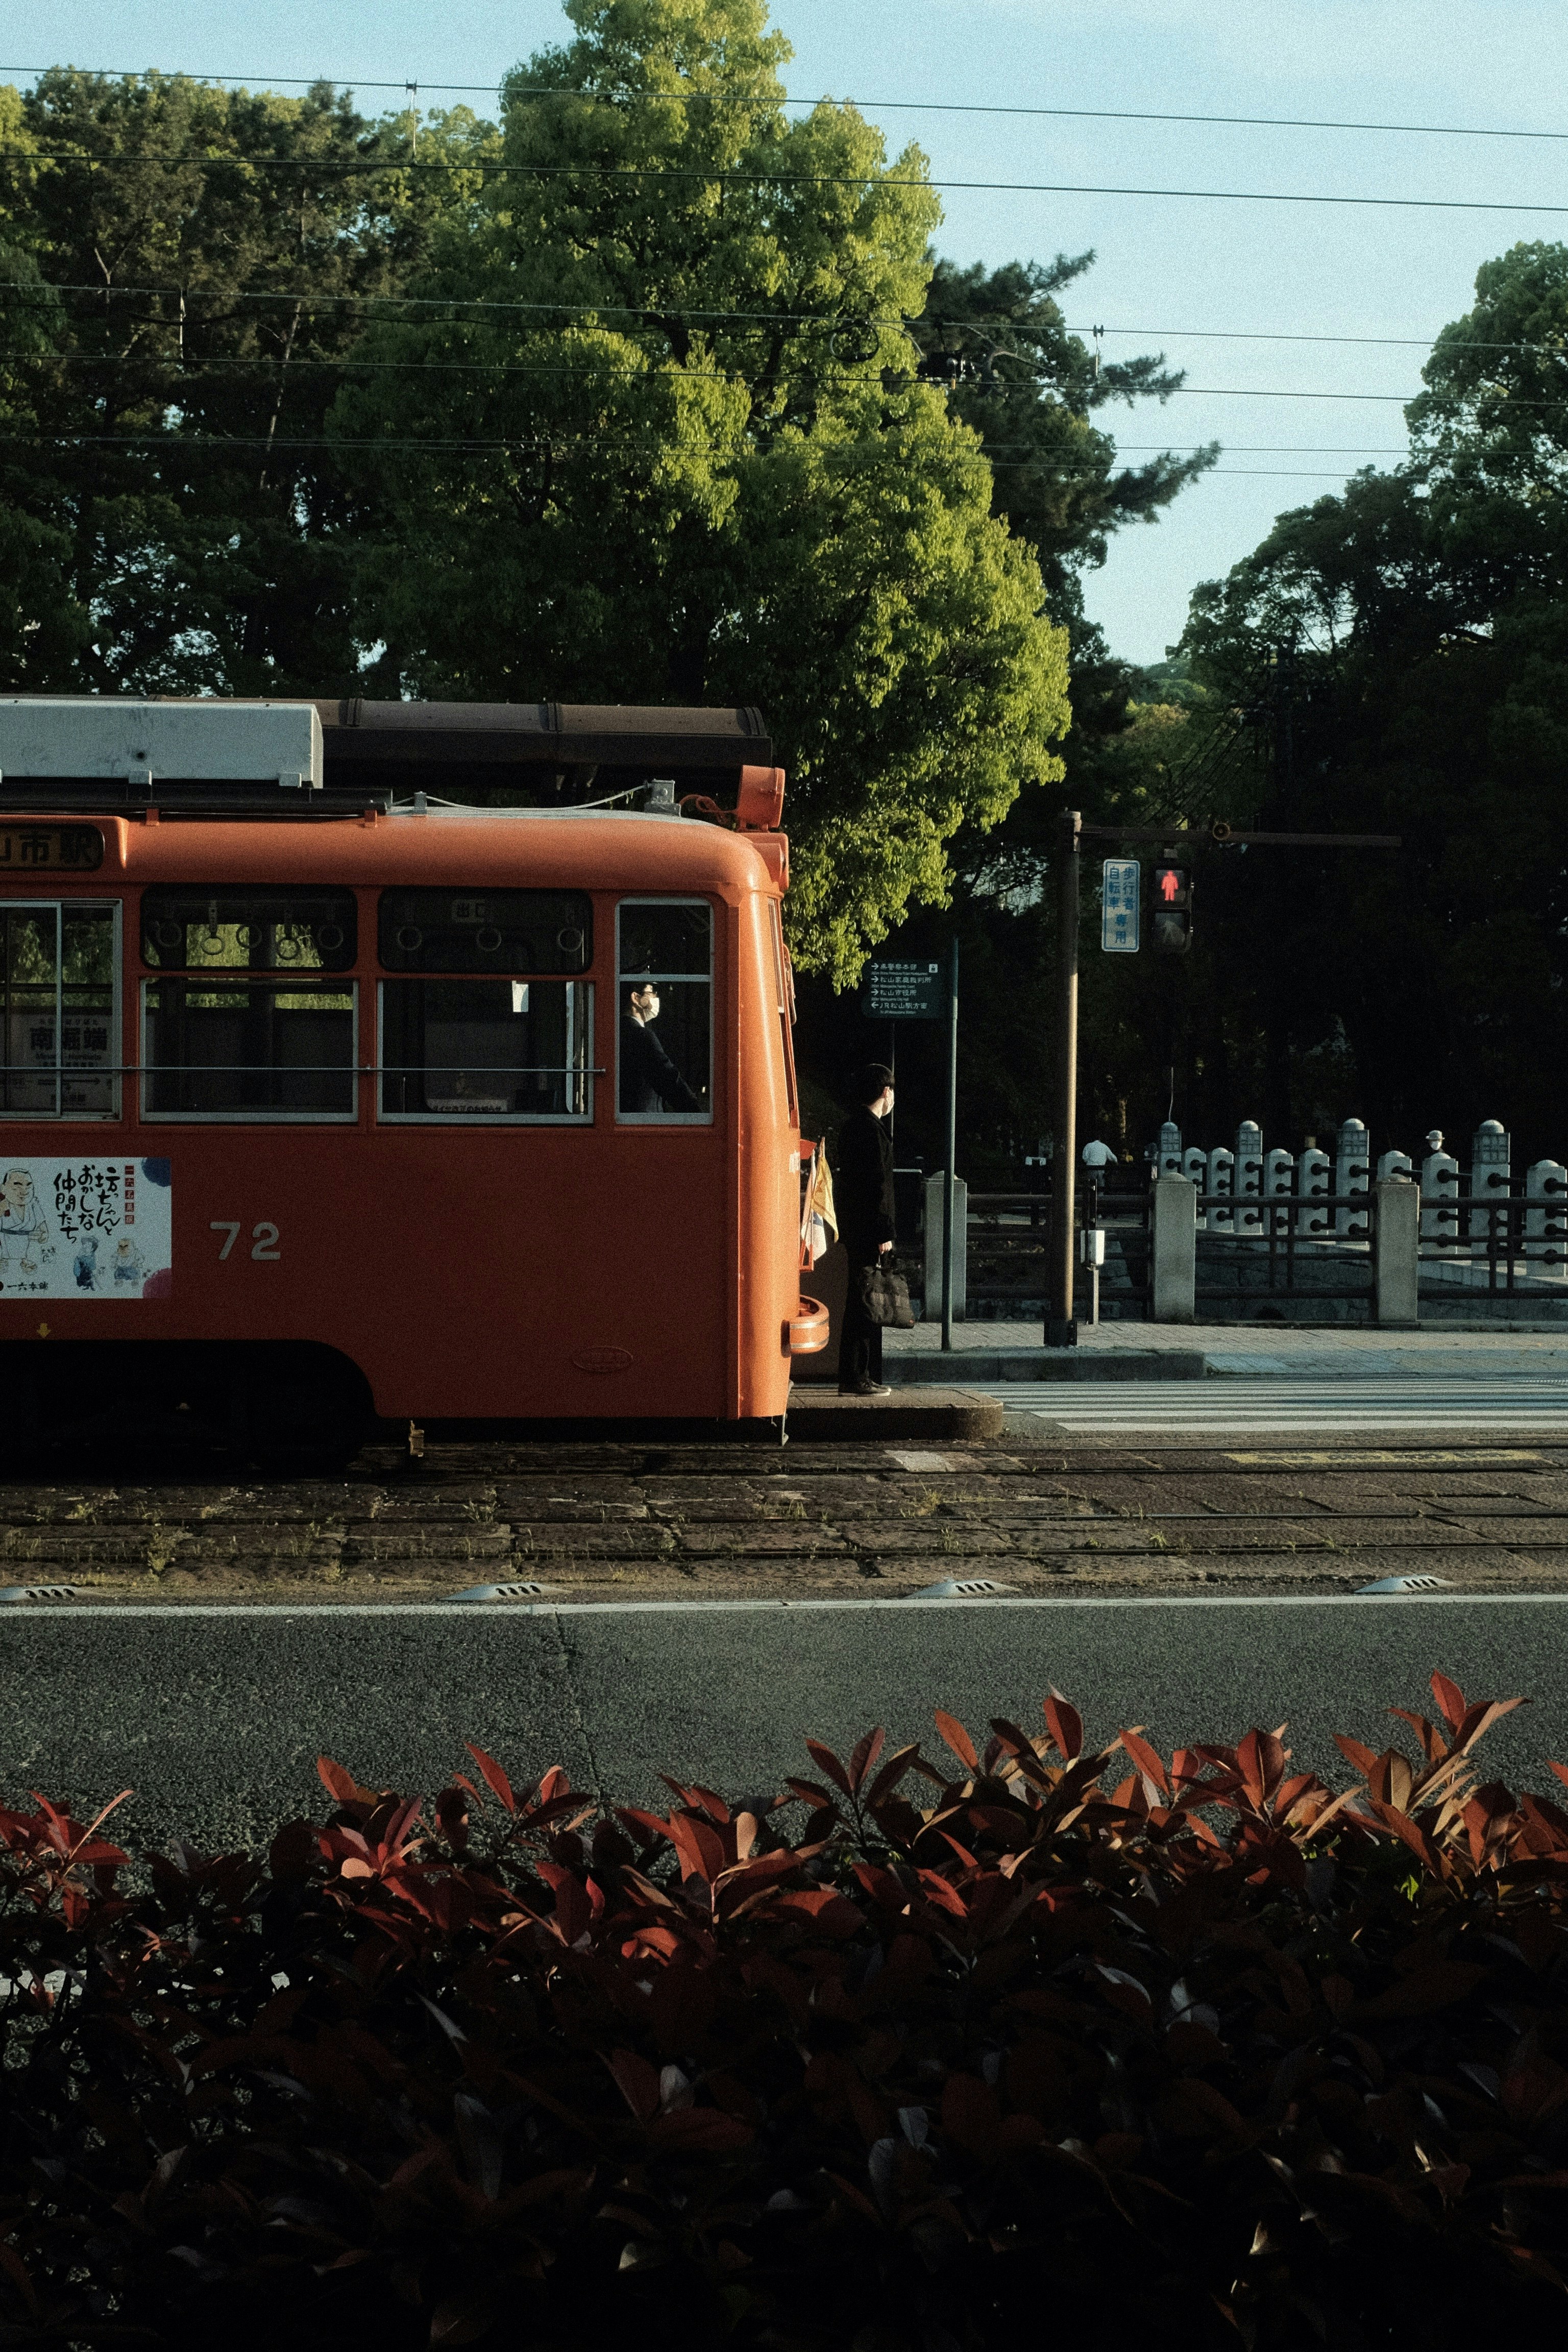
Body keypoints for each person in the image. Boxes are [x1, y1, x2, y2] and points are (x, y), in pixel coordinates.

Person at [833, 1063, 896, 1396]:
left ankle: (858, 1373)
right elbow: (878, 1187)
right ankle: (856, 1375)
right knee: (865, 1303)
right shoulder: (872, 1131)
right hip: (869, 1230)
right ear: (885, 1092)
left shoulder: (852, 1127)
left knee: (861, 1300)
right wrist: (884, 1231)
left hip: (854, 1227)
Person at [618, 981, 701, 1114]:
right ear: (635, 998)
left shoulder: (619, 1031)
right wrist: (696, 1114)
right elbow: (668, 1079)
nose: (656, 997)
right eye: (652, 992)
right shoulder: (641, 1035)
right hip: (642, 1119)